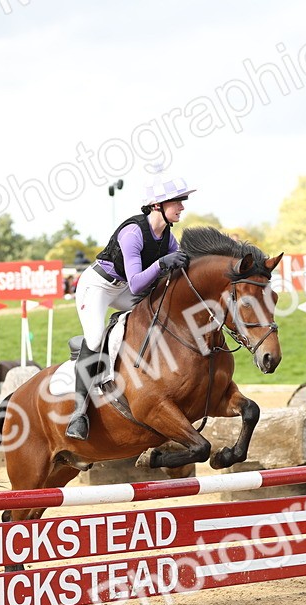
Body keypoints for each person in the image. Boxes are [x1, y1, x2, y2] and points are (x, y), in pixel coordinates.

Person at [64, 174, 195, 440]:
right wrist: (161, 264)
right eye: (177, 201)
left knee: (158, 314)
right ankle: (78, 414)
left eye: (182, 201)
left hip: (122, 286)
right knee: (95, 336)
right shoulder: (133, 232)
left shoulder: (168, 238)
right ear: (157, 205)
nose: (182, 206)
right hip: (97, 286)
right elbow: (137, 285)